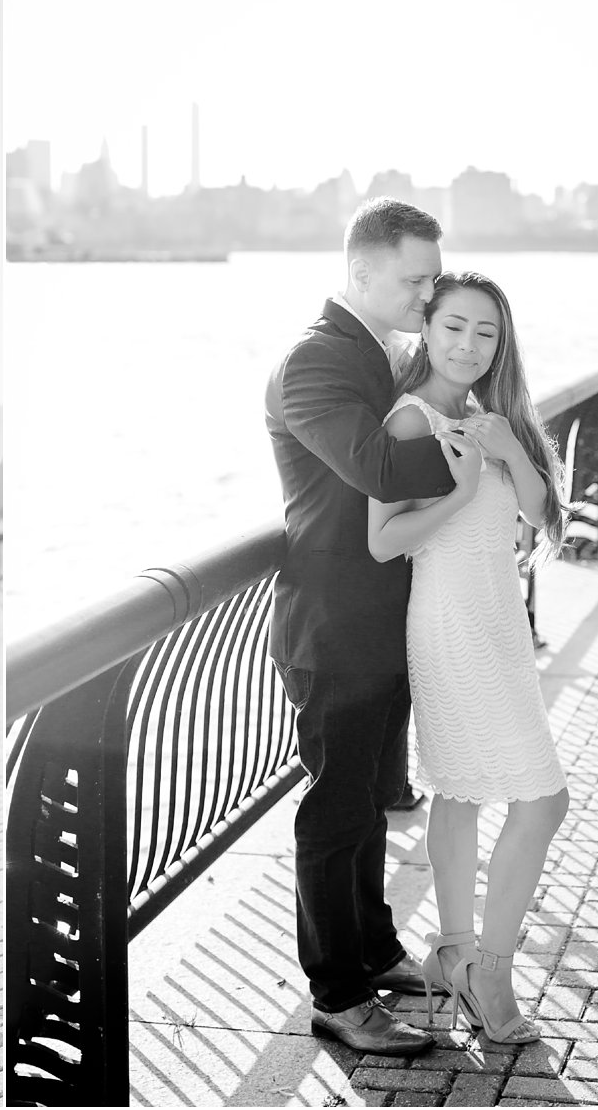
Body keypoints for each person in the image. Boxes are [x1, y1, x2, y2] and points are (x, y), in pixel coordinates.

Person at [264, 197, 458, 1056]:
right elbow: (376, 464)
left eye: (431, 277)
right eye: (415, 278)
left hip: (385, 619)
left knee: (374, 803)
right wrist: (478, 450)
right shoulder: (312, 362)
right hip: (335, 622)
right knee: (335, 809)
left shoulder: (385, 356)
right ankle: (337, 994)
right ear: (361, 273)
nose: (428, 293)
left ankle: (373, 949)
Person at [367, 271, 570, 1044]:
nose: (468, 345)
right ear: (428, 327)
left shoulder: (486, 413)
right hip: (449, 621)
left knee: (458, 793)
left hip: (499, 621)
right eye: (454, 326)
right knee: (544, 800)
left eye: (485, 332)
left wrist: (512, 449)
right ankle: (492, 965)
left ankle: (454, 949)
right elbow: (384, 540)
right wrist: (455, 494)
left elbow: (542, 515)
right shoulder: (411, 422)